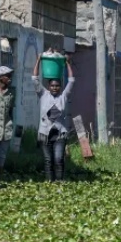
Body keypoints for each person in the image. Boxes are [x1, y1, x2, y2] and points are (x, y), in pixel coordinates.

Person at [32, 52, 75, 183]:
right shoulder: (43, 94)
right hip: (45, 133)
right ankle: (49, 183)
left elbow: (71, 80)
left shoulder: (63, 96)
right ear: (48, 86)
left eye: (57, 86)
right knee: (48, 160)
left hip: (60, 134)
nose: (55, 88)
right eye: (52, 86)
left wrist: (67, 63)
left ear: (60, 87)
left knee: (58, 159)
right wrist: (38, 60)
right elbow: (35, 79)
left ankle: (59, 182)